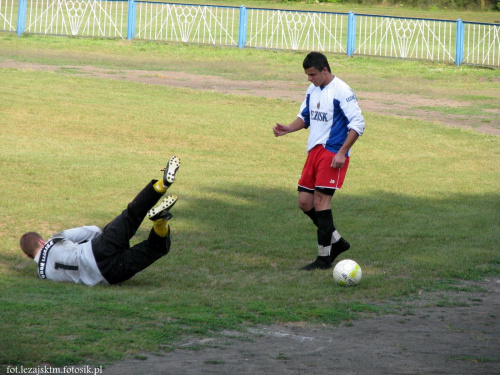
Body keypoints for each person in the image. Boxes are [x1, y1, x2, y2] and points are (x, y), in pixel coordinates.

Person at [19, 156, 182, 286]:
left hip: (109, 275)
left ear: (28, 256)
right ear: (41, 240)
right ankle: (162, 185)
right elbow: (92, 231)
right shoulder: (54, 240)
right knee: (132, 215)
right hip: (97, 249)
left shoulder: (44, 275)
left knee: (155, 249)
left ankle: (160, 222)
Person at [273, 52, 365, 271]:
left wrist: (342, 152)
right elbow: (305, 117)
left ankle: (324, 259)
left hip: (332, 153)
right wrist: (288, 128)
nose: (309, 79)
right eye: (307, 75)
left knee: (322, 203)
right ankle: (337, 241)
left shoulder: (342, 91)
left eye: (312, 74)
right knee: (305, 202)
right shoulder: (312, 90)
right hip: (313, 151)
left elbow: (358, 124)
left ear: (325, 70)